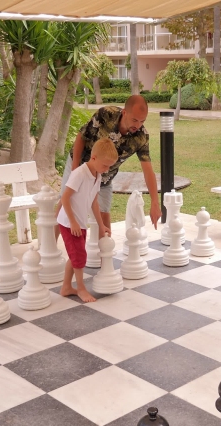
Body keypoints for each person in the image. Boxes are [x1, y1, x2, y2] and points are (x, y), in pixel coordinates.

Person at [57, 95, 160, 237]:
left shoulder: (141, 137)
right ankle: (49, 250)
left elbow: (148, 172)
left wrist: (155, 202)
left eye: (142, 121)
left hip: (104, 177)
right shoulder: (106, 114)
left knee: (104, 217)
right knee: (63, 205)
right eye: (134, 120)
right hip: (80, 165)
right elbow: (81, 137)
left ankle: (104, 257)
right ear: (124, 112)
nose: (138, 125)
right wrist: (75, 170)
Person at [57, 138, 118, 303]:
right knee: (79, 256)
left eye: (110, 166)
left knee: (75, 254)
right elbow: (65, 198)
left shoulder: (97, 175)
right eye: (105, 165)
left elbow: (94, 202)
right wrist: (73, 222)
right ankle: (81, 289)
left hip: (79, 222)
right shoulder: (80, 174)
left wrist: (101, 225)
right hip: (69, 222)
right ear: (94, 158)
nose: (107, 169)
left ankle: (66, 287)